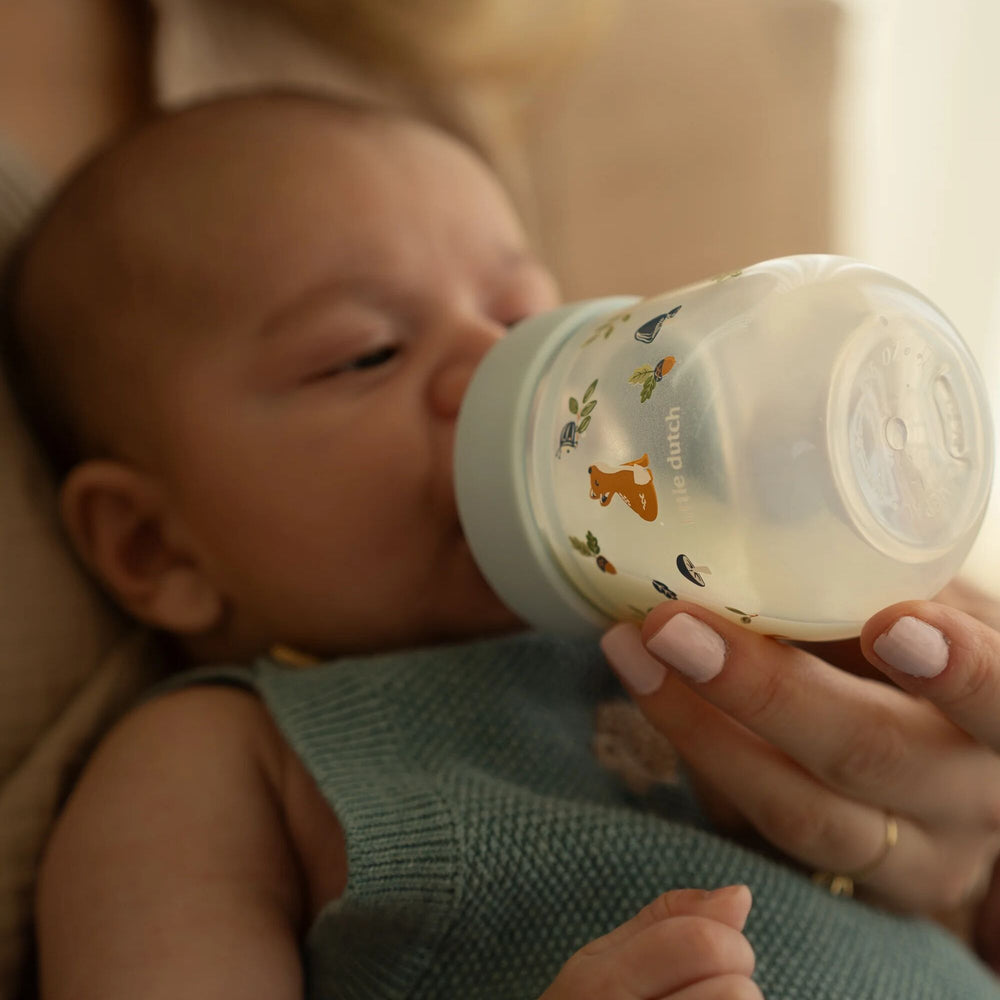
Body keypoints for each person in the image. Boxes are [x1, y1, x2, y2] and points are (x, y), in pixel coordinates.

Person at [3, 90, 1000, 999]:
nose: (490, 368)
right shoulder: (205, 774)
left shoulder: (698, 618)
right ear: (153, 547)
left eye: (520, 315)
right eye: (367, 353)